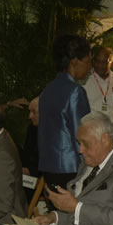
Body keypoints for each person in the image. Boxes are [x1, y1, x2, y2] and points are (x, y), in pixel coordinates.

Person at [38, 34, 92, 188]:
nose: (89, 67)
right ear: (74, 62)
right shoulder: (75, 92)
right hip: (71, 168)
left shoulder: (48, 89)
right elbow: (81, 135)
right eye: (87, 61)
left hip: (48, 166)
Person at [82, 47, 113, 126]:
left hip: (112, 129)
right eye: (97, 61)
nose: (99, 65)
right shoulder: (85, 78)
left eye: (104, 62)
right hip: (91, 129)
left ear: (112, 64)